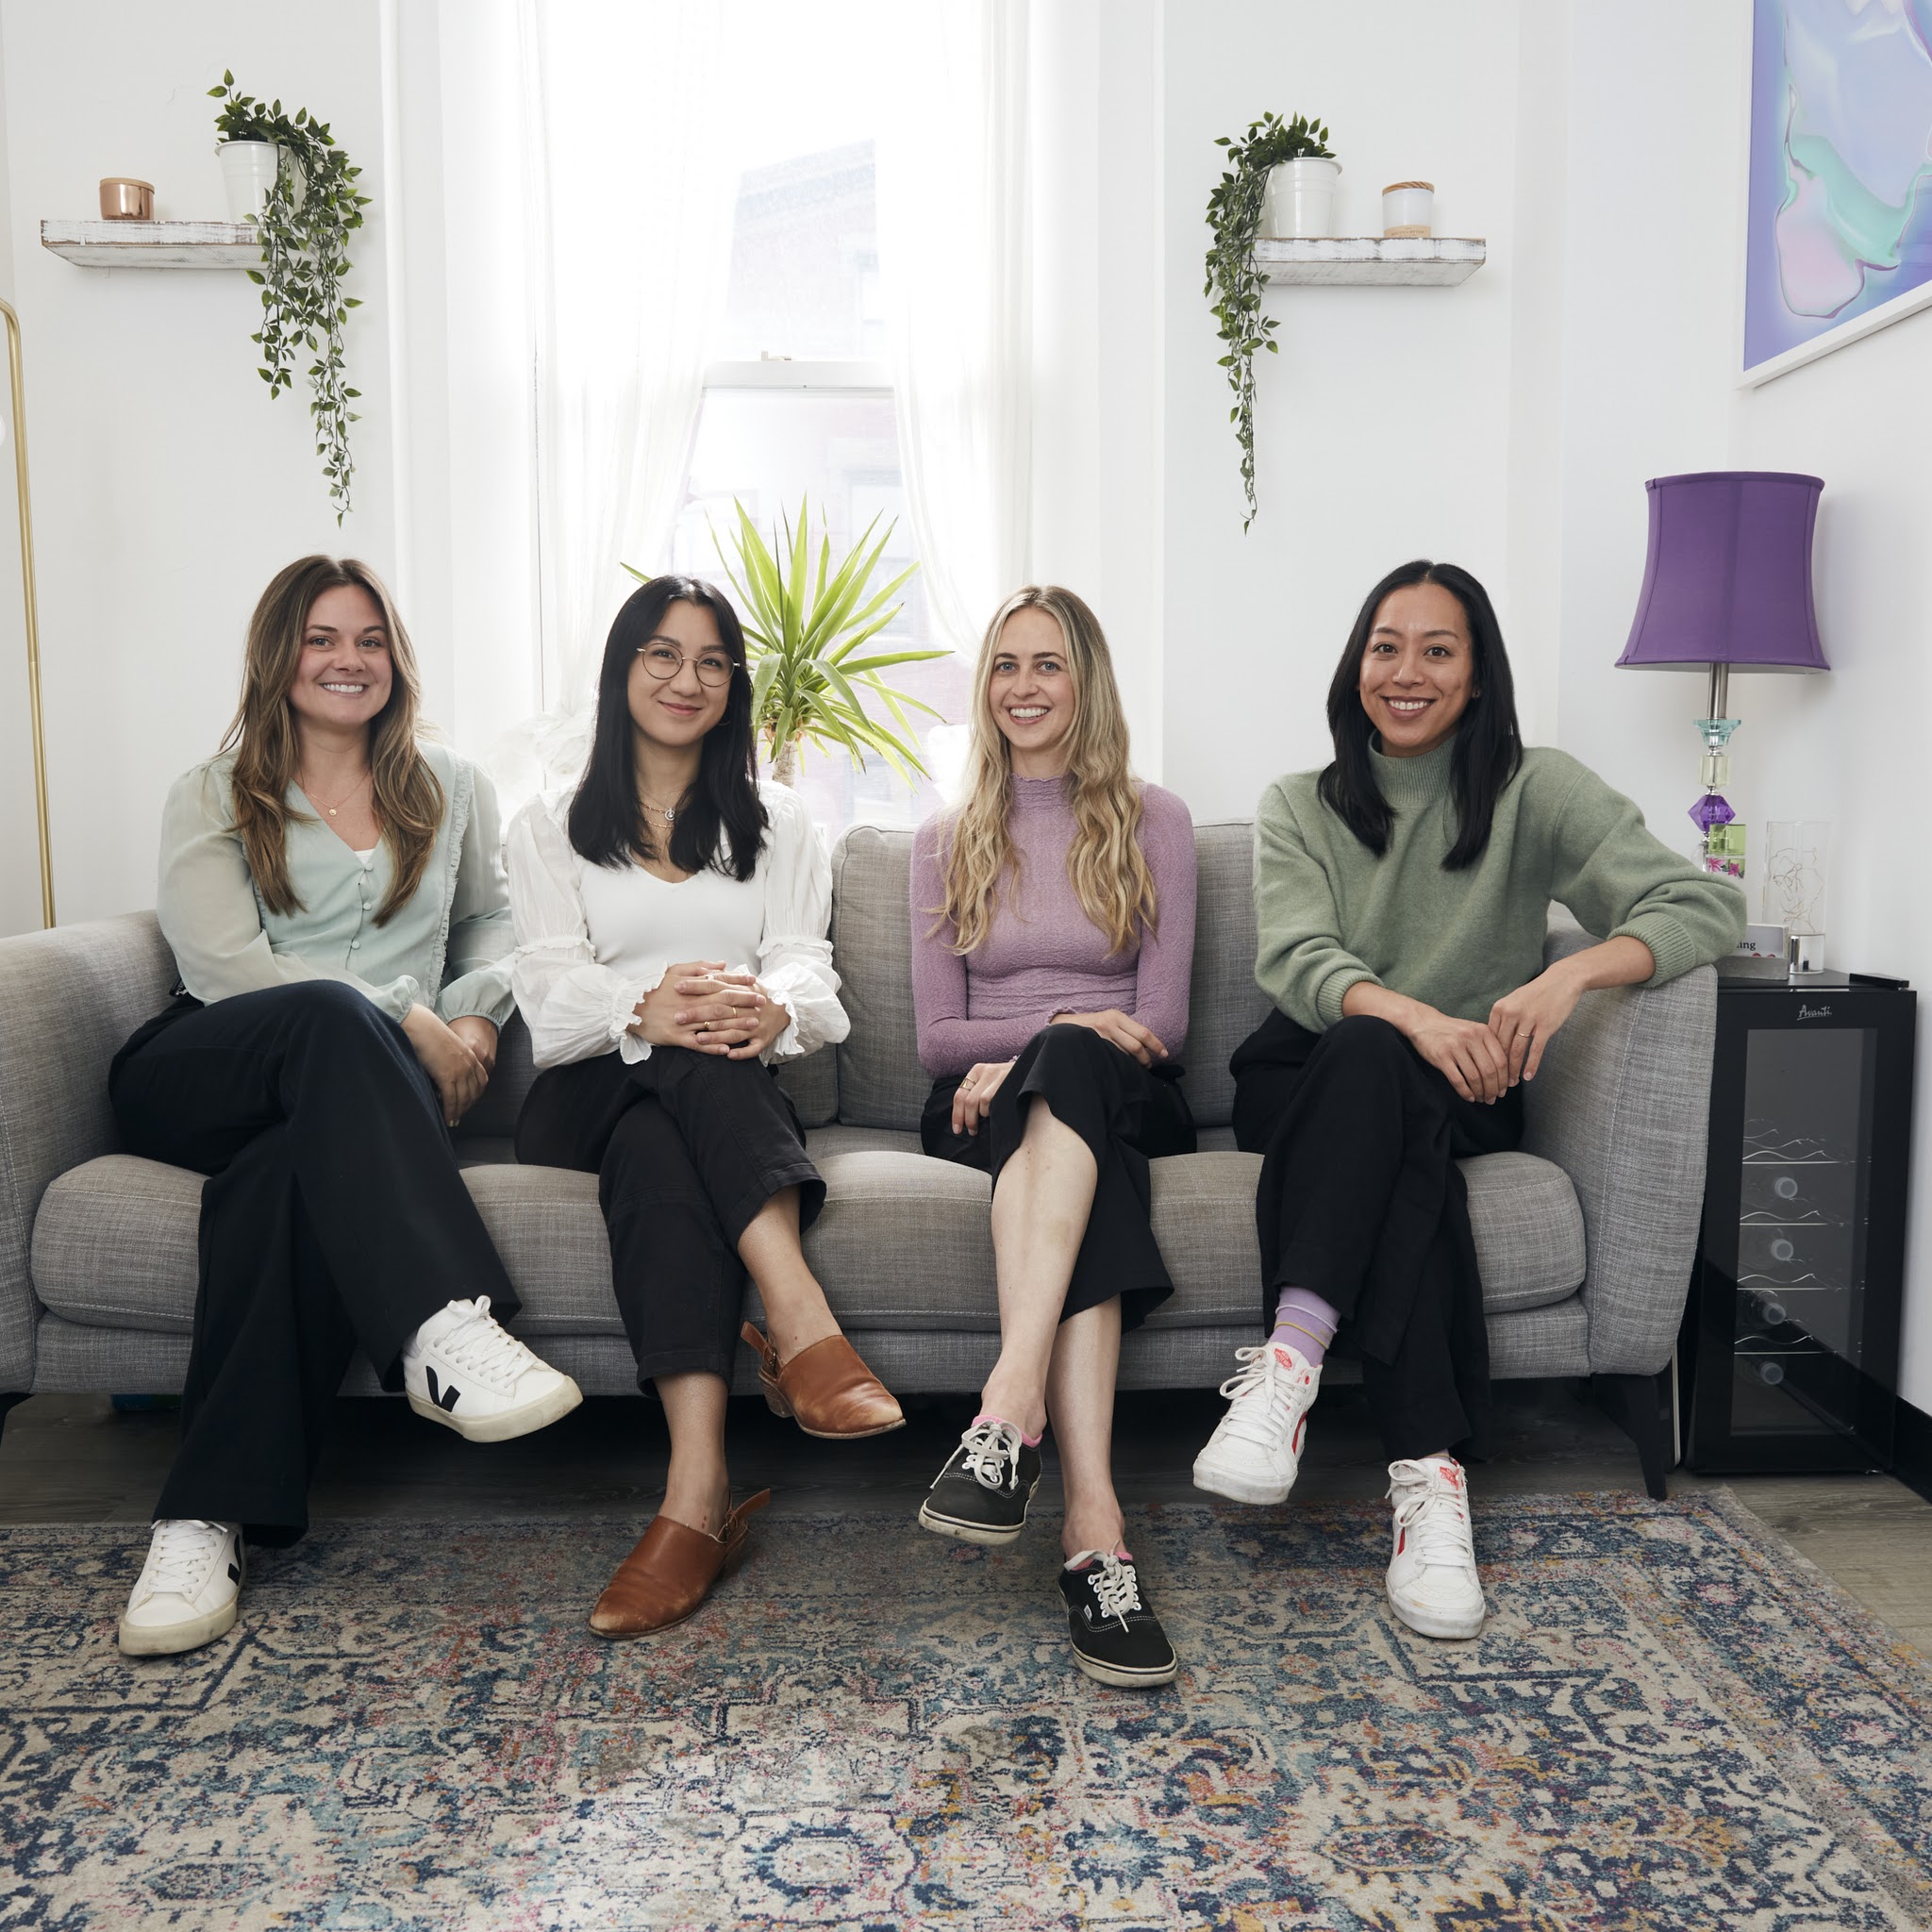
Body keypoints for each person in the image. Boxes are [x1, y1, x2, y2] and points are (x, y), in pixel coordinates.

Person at [1192, 559, 1745, 1640]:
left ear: (1478, 672)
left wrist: (1567, 975)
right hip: (1309, 1072)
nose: (1405, 672)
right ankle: (1426, 1472)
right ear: (1355, 664)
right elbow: (1298, 959)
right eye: (1384, 647)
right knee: (1378, 1073)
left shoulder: (1535, 789)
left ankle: (1289, 1365)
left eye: (1436, 650)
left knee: (1408, 1124)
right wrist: (1418, 1019)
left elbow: (1698, 903)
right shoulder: (1298, 802)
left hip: (1469, 1082)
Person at [110, 556, 581, 1657]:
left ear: (395, 660)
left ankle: (202, 1517)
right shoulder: (213, 790)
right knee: (327, 1012)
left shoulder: (450, 783)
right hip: (207, 1063)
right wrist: (406, 1014)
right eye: (322, 638)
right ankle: (440, 1320)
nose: (347, 659)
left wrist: (472, 1018)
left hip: (348, 1106)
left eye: (369, 639)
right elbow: (226, 966)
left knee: (280, 1181)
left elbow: (491, 923)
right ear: (279, 656)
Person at [508, 574, 901, 1640]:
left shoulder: (777, 820)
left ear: (735, 684)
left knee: (671, 1124)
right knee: (683, 1045)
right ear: (622, 669)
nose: (688, 679)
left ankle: (695, 1497)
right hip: (580, 1094)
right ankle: (802, 1323)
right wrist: (646, 1005)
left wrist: (773, 1009)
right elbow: (544, 994)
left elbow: (805, 967)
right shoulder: (549, 823)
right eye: (663, 654)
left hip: (716, 1096)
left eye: (712, 662)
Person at [910, 585, 1197, 1689]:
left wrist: (1055, 1038)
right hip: (978, 1101)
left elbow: (1160, 1024)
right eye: (1003, 664)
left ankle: (1007, 1408)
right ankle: (1092, 1533)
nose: (1021, 686)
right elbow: (936, 1039)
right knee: (1075, 1110)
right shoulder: (943, 840)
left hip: (1126, 1089)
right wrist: (1051, 1035)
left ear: (1087, 683)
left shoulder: (1154, 820)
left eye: (1047, 665)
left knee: (1074, 1064)